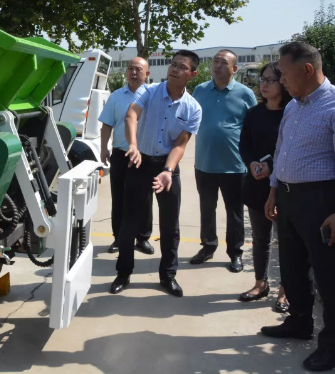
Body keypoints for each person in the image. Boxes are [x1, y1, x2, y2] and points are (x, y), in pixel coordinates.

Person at [260, 42, 335, 372]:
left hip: (321, 201)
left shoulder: (333, 105)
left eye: (285, 74)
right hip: (288, 198)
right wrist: (274, 191)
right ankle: (299, 322)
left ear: (307, 70)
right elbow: (281, 151)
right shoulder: (293, 106)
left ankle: (331, 347)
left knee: (328, 276)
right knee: (292, 267)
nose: (281, 80)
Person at [109, 50, 202, 297]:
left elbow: (181, 144)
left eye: (182, 67)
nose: (174, 69)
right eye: (173, 64)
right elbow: (131, 115)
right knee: (129, 222)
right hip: (139, 162)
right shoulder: (148, 92)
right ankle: (123, 273)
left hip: (167, 168)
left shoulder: (193, 108)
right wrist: (132, 145)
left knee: (170, 225)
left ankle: (168, 275)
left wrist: (168, 170)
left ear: (192, 74)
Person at [190, 50, 257, 273]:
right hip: (205, 163)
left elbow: (253, 128)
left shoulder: (245, 94)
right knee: (207, 209)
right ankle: (208, 247)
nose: (217, 66)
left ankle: (235, 253)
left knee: (235, 213)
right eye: (215, 61)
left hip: (235, 166)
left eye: (223, 63)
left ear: (234, 69)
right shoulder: (200, 90)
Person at [237, 62, 291, 312]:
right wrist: (251, 163)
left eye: (271, 80)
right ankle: (261, 283)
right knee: (260, 239)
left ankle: (286, 291)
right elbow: (244, 144)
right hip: (256, 185)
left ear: (284, 82)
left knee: (287, 241)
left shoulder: (292, 112)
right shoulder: (254, 113)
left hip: (284, 188)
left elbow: (290, 149)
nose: (264, 84)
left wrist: (270, 166)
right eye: (263, 79)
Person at [99, 57, 154, 255]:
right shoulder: (116, 96)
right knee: (119, 197)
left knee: (144, 198)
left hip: (145, 155)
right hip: (121, 154)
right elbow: (107, 124)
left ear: (147, 73)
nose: (133, 72)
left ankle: (143, 238)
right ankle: (119, 237)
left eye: (138, 69)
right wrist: (104, 148)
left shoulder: (152, 94)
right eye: (130, 68)